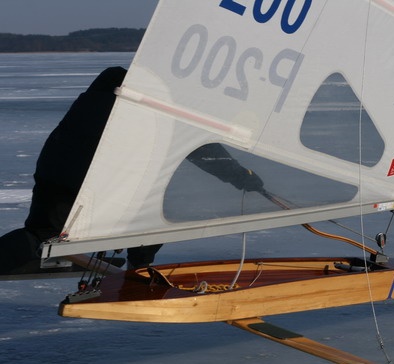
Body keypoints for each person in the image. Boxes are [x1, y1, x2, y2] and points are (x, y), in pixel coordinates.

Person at [0, 67, 263, 274]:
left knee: (40, 233)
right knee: (153, 214)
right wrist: (241, 177)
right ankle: (140, 269)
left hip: (55, 167)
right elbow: (203, 151)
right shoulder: (158, 101)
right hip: (92, 175)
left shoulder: (110, 87)